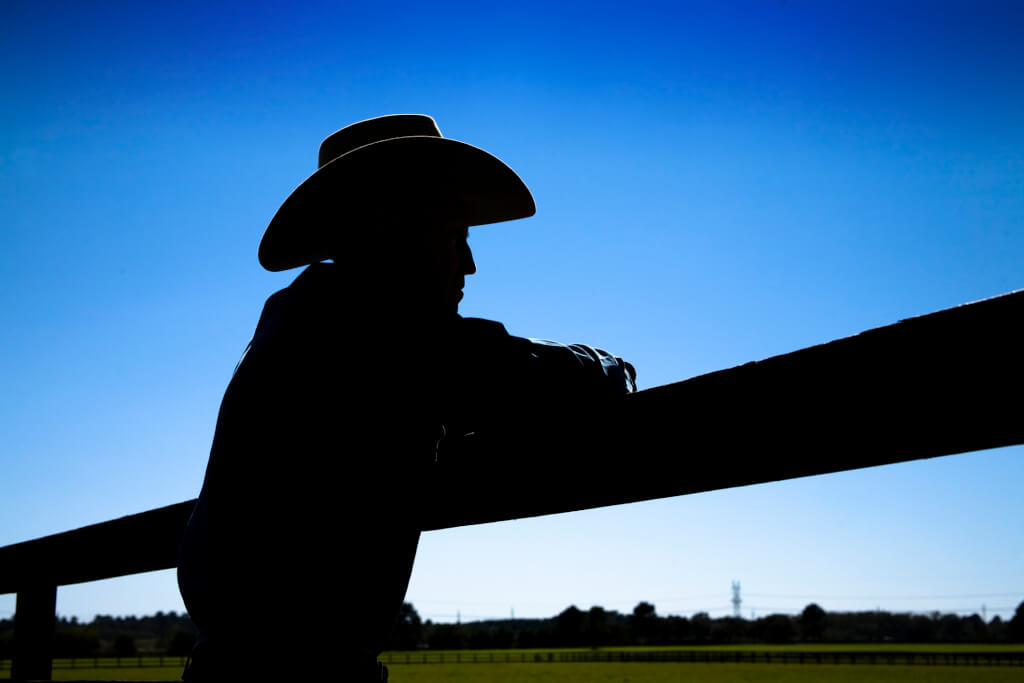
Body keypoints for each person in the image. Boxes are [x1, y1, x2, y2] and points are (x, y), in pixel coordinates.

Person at [177, 114, 636, 681]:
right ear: (387, 227)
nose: (469, 264)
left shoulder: (308, 324)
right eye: (455, 237)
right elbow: (531, 377)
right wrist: (608, 366)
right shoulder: (359, 324)